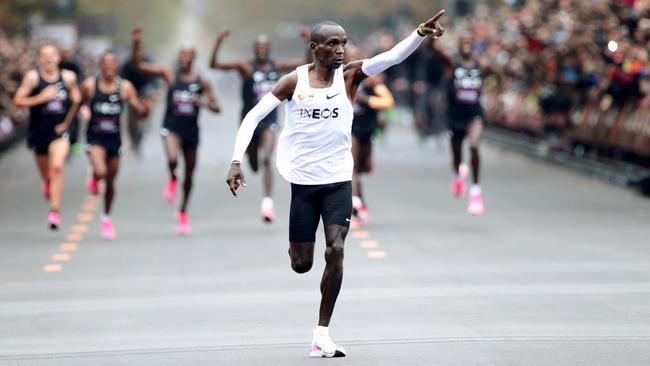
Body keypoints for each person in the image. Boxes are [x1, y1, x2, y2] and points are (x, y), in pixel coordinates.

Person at [226, 11, 446, 357]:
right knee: (302, 264)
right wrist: (237, 159)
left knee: (337, 248)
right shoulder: (292, 83)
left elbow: (390, 58)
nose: (340, 49)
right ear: (315, 49)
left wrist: (420, 33)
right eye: (332, 44)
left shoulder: (350, 76)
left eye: (343, 42)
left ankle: (322, 333)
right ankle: (298, 248)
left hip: (339, 180)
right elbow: (253, 117)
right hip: (303, 182)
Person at [210, 30, 306, 223]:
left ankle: (267, 203)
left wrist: (308, 43)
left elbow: (305, 64)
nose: (261, 49)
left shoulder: (276, 66)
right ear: (254, 50)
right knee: (254, 164)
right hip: (250, 120)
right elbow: (214, 65)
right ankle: (251, 158)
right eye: (258, 46)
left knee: (267, 159)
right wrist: (218, 42)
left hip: (270, 119)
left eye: (264, 46)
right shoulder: (245, 67)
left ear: (269, 50)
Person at [132, 28, 221, 235]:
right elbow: (138, 66)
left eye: (188, 55)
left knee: (189, 175)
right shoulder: (169, 75)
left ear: (193, 58)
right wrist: (136, 44)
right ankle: (172, 176)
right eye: (181, 54)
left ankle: (183, 212)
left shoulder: (201, 81)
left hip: (191, 131)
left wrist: (204, 103)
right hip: (171, 127)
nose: (184, 58)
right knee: (172, 158)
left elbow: (217, 108)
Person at [80, 51, 149, 240]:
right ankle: (94, 174)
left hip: (114, 140)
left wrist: (144, 109)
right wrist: (71, 121)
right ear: (100, 66)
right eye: (105, 63)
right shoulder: (90, 85)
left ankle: (106, 218)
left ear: (117, 66)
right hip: (94, 138)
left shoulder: (124, 87)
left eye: (113, 63)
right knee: (102, 172)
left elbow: (138, 110)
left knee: (110, 181)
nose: (109, 66)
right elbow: (77, 105)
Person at [13, 42, 81, 230]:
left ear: (58, 58)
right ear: (39, 59)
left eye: (52, 54)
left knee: (57, 166)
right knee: (47, 174)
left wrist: (73, 117)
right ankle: (49, 184)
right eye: (45, 55)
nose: (49, 58)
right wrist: (40, 98)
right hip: (39, 131)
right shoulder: (33, 78)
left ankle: (54, 211)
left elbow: (77, 99)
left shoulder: (68, 78)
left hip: (60, 131)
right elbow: (18, 100)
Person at [346, 45, 394, 224]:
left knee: (360, 168)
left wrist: (366, 100)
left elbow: (388, 101)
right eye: (347, 57)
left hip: (367, 128)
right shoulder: (341, 79)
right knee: (351, 167)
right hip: (350, 128)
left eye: (354, 56)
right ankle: (356, 203)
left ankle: (358, 199)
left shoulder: (371, 80)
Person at [441, 34, 487, 215]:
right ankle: (458, 175)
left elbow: (499, 74)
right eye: (463, 42)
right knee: (457, 156)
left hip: (474, 113)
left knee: (474, 146)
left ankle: (475, 191)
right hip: (455, 115)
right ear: (459, 45)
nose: (466, 45)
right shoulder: (452, 64)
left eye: (469, 42)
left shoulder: (481, 65)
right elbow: (435, 52)